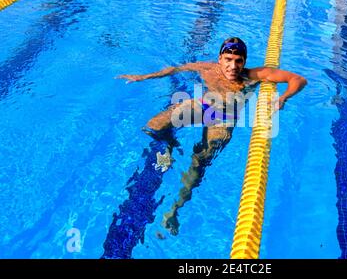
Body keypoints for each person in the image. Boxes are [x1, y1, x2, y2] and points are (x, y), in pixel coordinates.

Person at [117, 37, 307, 235]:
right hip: (203, 105)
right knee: (154, 125)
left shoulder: (254, 75)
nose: (233, 66)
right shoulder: (207, 68)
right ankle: (169, 146)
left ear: (244, 61)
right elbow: (175, 69)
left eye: (238, 60)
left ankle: (174, 210)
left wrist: (284, 97)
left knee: (199, 161)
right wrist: (145, 77)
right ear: (220, 59)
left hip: (225, 118)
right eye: (228, 59)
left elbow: (298, 79)